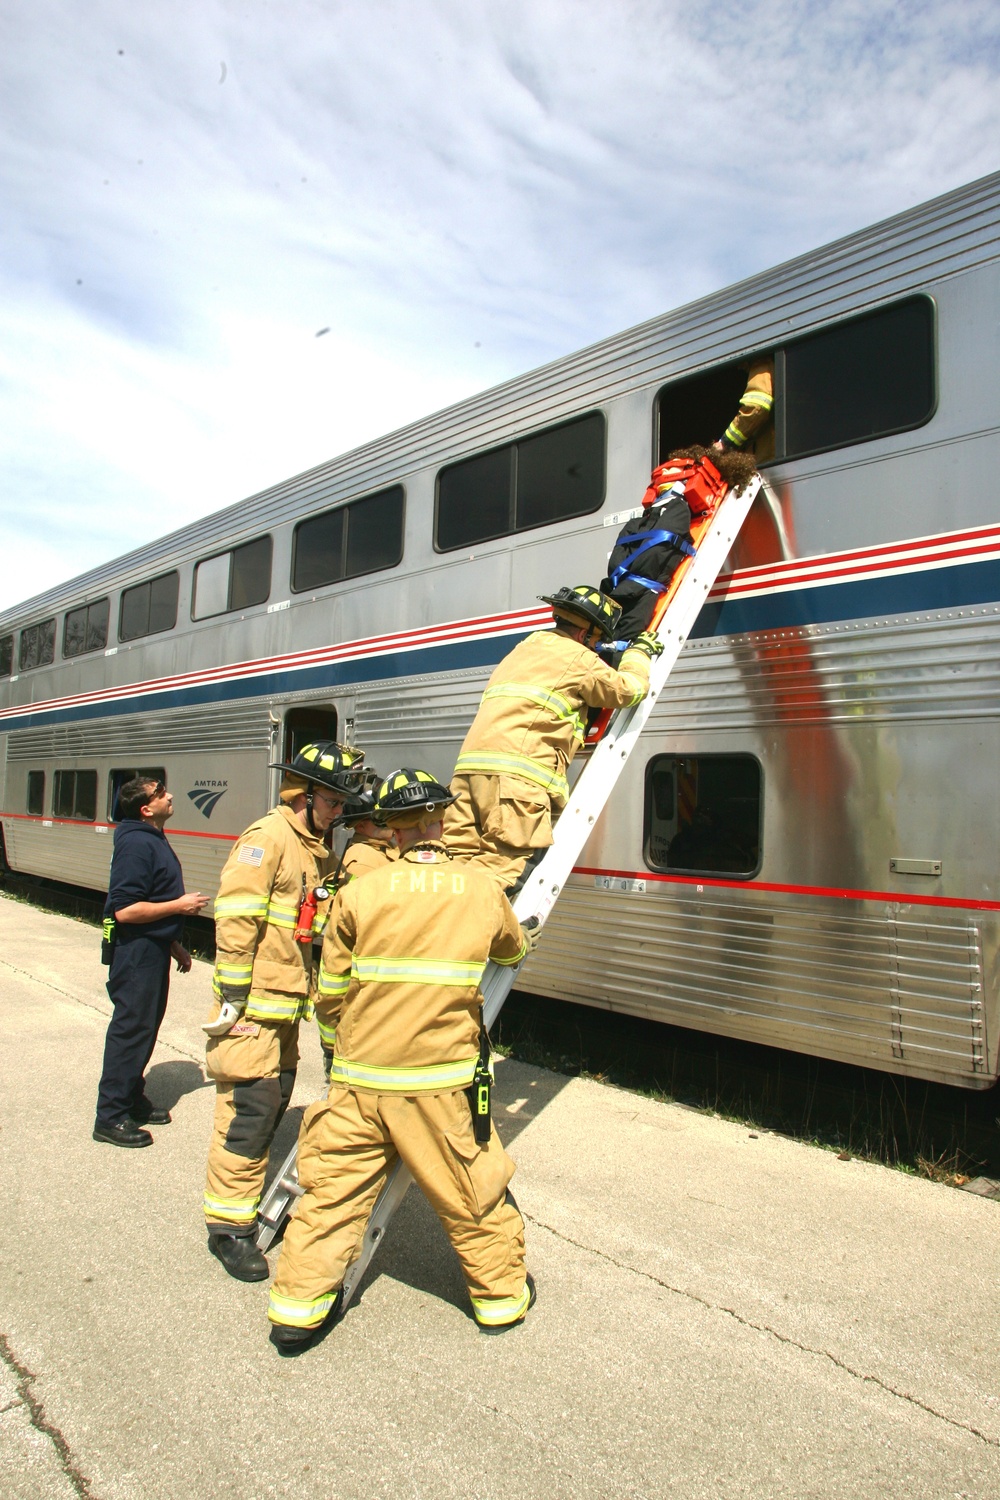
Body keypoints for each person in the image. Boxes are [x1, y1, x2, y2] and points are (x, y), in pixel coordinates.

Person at [266, 767, 540, 1352]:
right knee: (471, 1189)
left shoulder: (358, 894)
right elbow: (513, 948)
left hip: (360, 1081)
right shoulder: (480, 888)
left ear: (391, 830)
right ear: (441, 820)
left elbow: (331, 993)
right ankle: (500, 1301)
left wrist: (344, 1051)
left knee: (332, 1195)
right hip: (438, 1084)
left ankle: (295, 1314)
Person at [202, 739, 366, 1282]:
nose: (340, 812)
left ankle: (241, 1207)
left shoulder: (314, 848)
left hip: (285, 1005)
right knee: (248, 1114)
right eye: (335, 801)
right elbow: (237, 918)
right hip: (253, 1008)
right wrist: (232, 999)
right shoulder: (267, 838)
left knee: (272, 1106)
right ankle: (229, 1229)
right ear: (307, 793)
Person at [442, 585, 662, 891]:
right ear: (586, 634)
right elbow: (628, 690)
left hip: (466, 779)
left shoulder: (521, 650)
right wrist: (638, 654)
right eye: (598, 639)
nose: (597, 647)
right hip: (516, 783)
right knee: (500, 876)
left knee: (455, 872)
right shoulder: (578, 658)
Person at [93, 777, 207, 1148]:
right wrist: (181, 906)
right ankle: (110, 1116)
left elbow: (152, 893)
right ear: (145, 808)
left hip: (151, 948)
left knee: (144, 1028)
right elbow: (125, 910)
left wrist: (174, 944)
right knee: (130, 1032)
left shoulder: (149, 836)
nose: (169, 795)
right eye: (160, 794)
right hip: (135, 953)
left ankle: (131, 1097)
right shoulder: (137, 844)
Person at [317, 772, 398, 1081]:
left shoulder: (379, 853)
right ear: (361, 824)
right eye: (382, 819)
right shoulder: (364, 862)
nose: (391, 824)